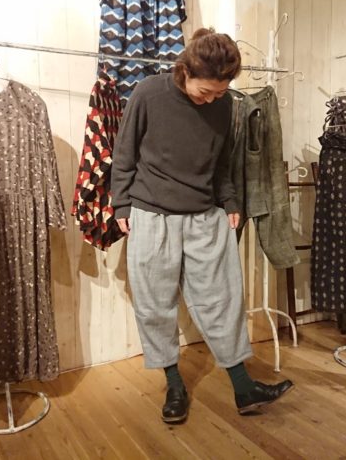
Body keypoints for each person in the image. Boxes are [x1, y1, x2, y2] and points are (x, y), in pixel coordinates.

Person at [111, 27, 293, 423]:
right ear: (184, 71)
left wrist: (229, 199)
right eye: (205, 91)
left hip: (203, 215)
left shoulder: (224, 104)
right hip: (152, 214)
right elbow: (124, 152)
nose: (211, 99)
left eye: (220, 92)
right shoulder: (148, 93)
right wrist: (120, 203)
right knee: (155, 305)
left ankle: (243, 387)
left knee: (222, 299)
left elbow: (221, 160)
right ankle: (174, 385)